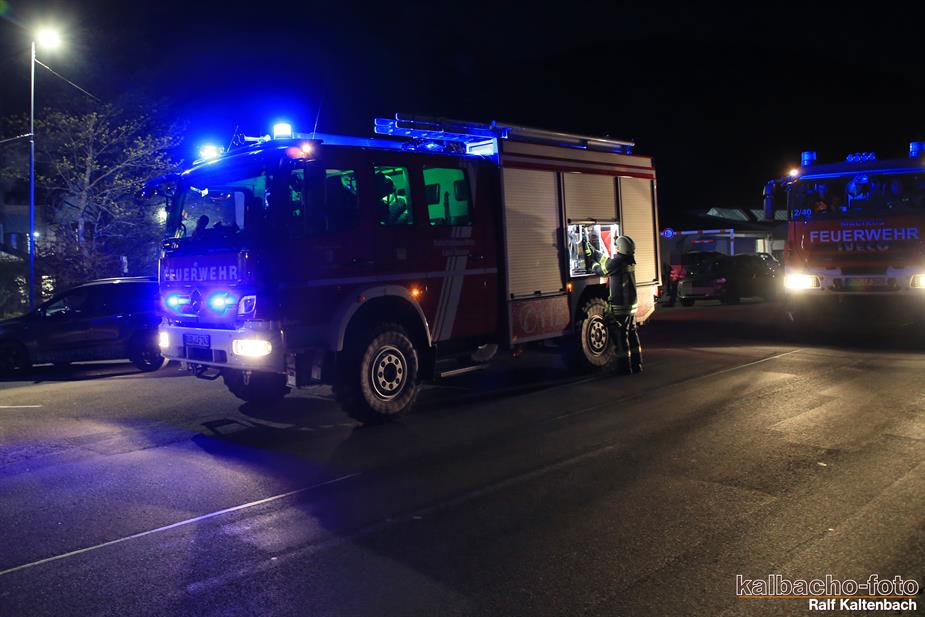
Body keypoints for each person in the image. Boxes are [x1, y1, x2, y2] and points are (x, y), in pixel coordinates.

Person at [585, 235, 642, 373]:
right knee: (632, 334)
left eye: (616, 246)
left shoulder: (618, 261)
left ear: (620, 248)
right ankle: (637, 365)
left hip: (620, 306)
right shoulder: (629, 260)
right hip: (631, 306)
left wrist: (591, 263)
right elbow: (608, 261)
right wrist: (594, 252)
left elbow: (603, 270)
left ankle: (624, 367)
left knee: (621, 336)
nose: (615, 247)